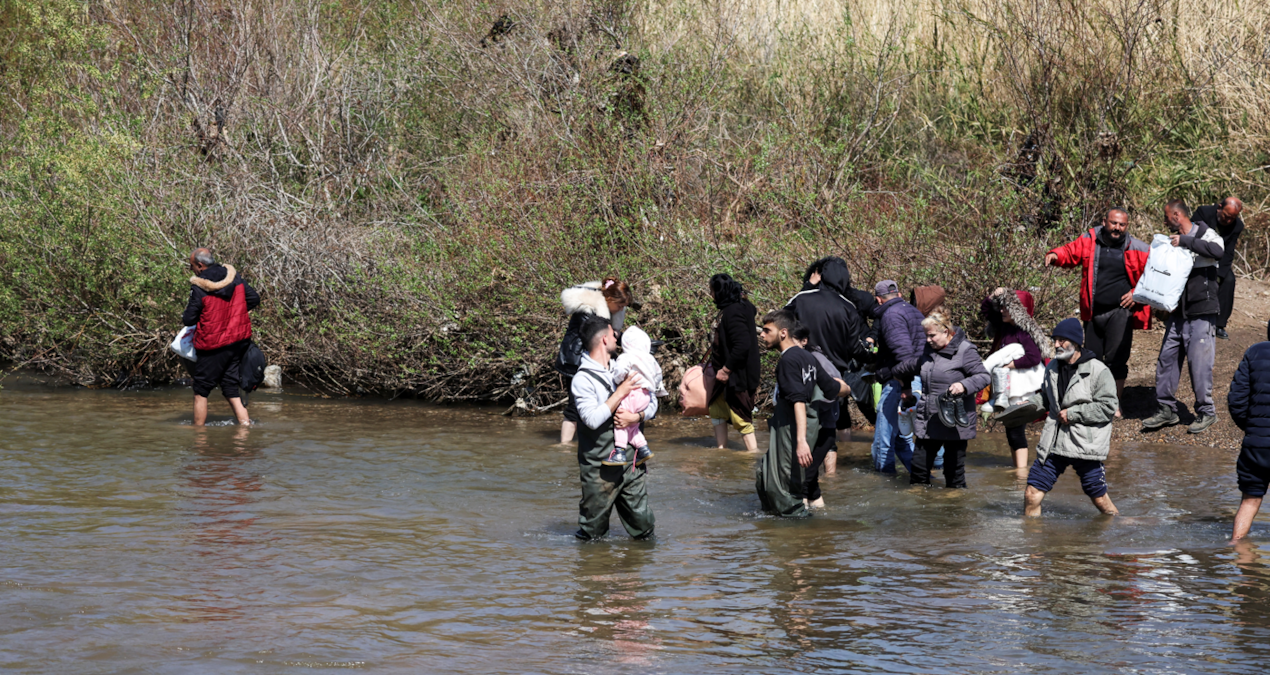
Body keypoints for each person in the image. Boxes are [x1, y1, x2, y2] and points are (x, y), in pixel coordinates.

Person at [1045, 207, 1151, 414]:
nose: (1117, 228)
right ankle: (1092, 400)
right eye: (1114, 223)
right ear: (1104, 222)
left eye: (1122, 224)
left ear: (1127, 226)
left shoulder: (1138, 247)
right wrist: (1055, 254)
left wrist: (1136, 293)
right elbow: (1070, 251)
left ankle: (1114, 404)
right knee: (1090, 359)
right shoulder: (1090, 240)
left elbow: (1154, 275)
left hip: (1120, 312)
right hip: (1093, 312)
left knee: (1117, 360)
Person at [755, 310, 850, 517]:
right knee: (789, 480)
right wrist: (846, 388)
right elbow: (831, 388)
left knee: (782, 488)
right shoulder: (808, 357)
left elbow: (798, 401)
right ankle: (813, 527)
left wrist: (801, 442)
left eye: (767, 330)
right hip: (810, 429)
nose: (762, 335)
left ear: (783, 332)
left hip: (792, 432)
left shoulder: (788, 361)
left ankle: (797, 529)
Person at [1143, 200, 1225, 434]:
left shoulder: (1207, 234)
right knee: (1166, 360)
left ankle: (1206, 412)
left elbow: (1218, 252)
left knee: (1199, 364)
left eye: (1166, 217)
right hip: (1178, 313)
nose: (1164, 221)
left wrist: (1186, 242)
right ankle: (1166, 409)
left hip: (1202, 311)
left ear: (1177, 216)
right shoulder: (1172, 241)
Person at [1022, 319, 1120, 517]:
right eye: (1055, 340)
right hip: (1054, 442)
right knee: (1032, 494)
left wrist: (1074, 413)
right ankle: (1032, 536)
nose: (1056, 344)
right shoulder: (1052, 368)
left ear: (1075, 342)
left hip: (1084, 444)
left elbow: (1109, 407)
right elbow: (1047, 398)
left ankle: (1118, 526)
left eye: (1061, 340)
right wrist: (1027, 405)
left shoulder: (1099, 371)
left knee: (1100, 500)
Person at [571, 315, 656, 540]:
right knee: (593, 535)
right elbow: (591, 419)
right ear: (604, 339)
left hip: (631, 461)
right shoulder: (582, 379)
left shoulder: (626, 364)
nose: (617, 336)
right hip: (599, 467)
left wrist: (636, 416)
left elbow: (653, 402)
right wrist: (620, 393)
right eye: (613, 333)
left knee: (644, 527)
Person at [893, 307, 990, 488]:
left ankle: (954, 504)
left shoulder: (965, 350)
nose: (928, 340)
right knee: (918, 470)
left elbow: (983, 376)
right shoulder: (928, 351)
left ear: (946, 332)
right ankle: (921, 504)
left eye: (932, 336)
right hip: (928, 418)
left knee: (954, 473)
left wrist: (964, 385)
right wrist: (900, 381)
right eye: (926, 336)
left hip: (955, 419)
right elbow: (907, 367)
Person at [786, 257, 868, 455]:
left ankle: (802, 465)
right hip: (835, 375)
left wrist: (808, 286)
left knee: (801, 419)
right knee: (831, 426)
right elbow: (855, 347)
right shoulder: (848, 307)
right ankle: (838, 465)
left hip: (802, 370)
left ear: (821, 276)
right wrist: (872, 358)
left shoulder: (802, 298)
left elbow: (780, 321)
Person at [182, 248, 260, 426]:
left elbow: (189, 319)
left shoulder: (199, 286)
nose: (191, 269)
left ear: (200, 265)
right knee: (230, 387)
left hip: (213, 345)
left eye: (191, 266)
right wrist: (234, 314)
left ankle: (199, 435)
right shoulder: (234, 277)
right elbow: (254, 299)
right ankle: (245, 428)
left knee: (201, 390)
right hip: (238, 341)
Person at [980, 288, 1051, 469]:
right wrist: (993, 296)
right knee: (1011, 428)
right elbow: (986, 310)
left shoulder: (1024, 331)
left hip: (1022, 388)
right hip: (1008, 386)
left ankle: (1020, 473)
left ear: (1018, 310)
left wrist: (1008, 365)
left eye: (1006, 307)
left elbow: (1033, 357)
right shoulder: (1005, 325)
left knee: (1016, 428)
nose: (1002, 310)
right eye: (1001, 306)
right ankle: (1017, 469)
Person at [556, 278, 632, 444]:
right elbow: (598, 335)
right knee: (574, 406)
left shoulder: (606, 310)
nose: (621, 309)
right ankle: (564, 445)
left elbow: (610, 336)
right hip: (575, 360)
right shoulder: (587, 309)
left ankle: (586, 440)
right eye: (620, 305)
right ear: (610, 300)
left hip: (592, 359)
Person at [869, 279, 927, 474]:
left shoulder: (891, 315)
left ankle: (884, 484)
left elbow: (904, 354)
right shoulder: (912, 311)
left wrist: (905, 387)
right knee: (902, 439)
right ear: (899, 295)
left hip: (900, 382)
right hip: (918, 378)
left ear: (879, 300)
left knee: (882, 442)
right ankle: (922, 479)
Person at [707, 274, 761, 453]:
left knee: (741, 415)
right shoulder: (741, 306)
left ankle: (753, 454)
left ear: (721, 292)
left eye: (713, 291)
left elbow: (742, 344)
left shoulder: (733, 312)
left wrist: (726, 369)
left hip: (737, 375)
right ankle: (721, 451)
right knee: (717, 409)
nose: (711, 295)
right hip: (726, 376)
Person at [1229, 322, 1270, 542]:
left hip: (1255, 445)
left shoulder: (1254, 351)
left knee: (1249, 501)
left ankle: (1237, 549)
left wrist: (1253, 428)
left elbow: (1237, 400)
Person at [793, 324, 840, 508]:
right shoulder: (794, 359)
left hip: (822, 429)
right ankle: (821, 518)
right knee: (811, 484)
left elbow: (836, 388)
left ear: (804, 341)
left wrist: (811, 406)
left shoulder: (816, 359)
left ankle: (801, 520)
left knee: (804, 480)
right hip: (811, 428)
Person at [610, 326, 666, 466]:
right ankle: (643, 449)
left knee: (621, 421)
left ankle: (619, 452)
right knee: (633, 427)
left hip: (632, 393)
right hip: (646, 395)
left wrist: (617, 380)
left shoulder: (626, 357)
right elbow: (658, 375)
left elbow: (620, 370)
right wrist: (652, 385)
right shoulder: (650, 358)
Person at [1191, 197, 1245, 340]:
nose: (1228, 220)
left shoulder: (1237, 226)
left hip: (1216, 260)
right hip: (1196, 255)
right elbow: (1191, 236)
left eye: (1232, 218)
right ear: (1219, 207)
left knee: (1229, 280)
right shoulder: (1203, 212)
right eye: (1226, 216)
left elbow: (1229, 251)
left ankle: (1219, 324)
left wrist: (1219, 274)